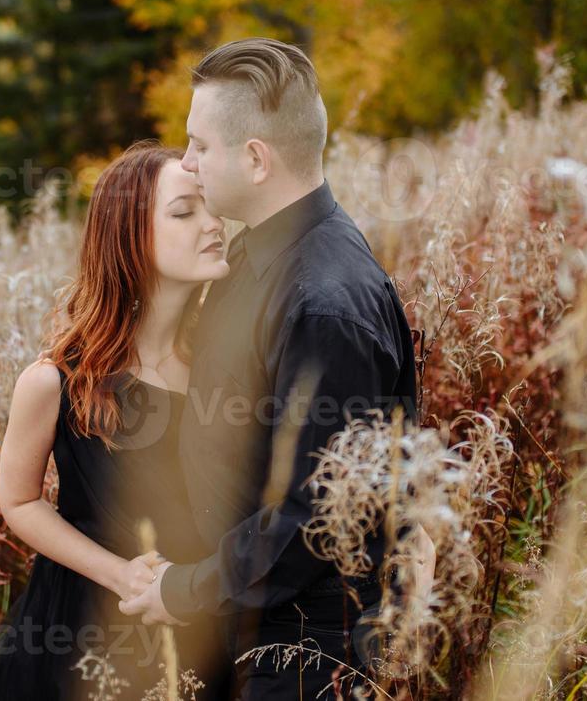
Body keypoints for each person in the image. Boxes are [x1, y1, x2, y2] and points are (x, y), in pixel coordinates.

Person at [117, 37, 422, 700]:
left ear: (255, 159)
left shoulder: (324, 306)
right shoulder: (252, 259)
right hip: (249, 624)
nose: (189, 164)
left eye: (199, 145)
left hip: (311, 653)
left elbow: (315, 517)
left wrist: (186, 588)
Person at [0, 141, 235, 700]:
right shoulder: (56, 382)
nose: (214, 224)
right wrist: (120, 574)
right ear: (130, 238)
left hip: (198, 630)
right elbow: (19, 502)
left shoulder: (226, 370)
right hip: (81, 633)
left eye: (211, 207)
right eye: (185, 211)